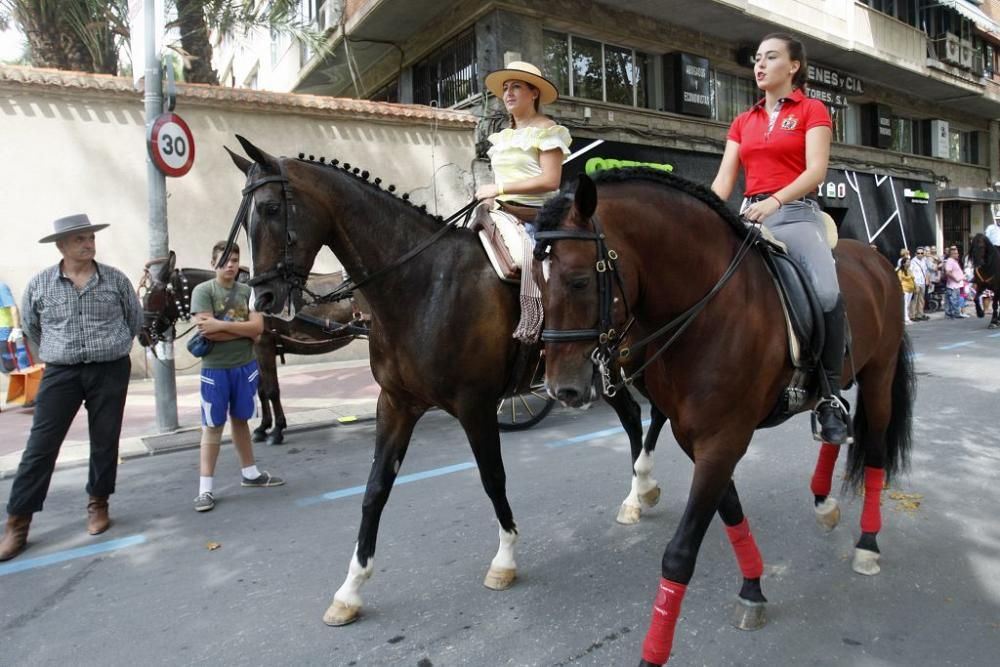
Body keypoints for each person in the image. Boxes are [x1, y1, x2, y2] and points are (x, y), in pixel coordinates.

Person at [710, 33, 850, 445]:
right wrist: (707, 211)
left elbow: (815, 172)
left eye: (771, 58)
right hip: (748, 215)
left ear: (793, 67)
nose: (760, 65)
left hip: (796, 214)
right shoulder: (742, 121)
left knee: (826, 293)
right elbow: (723, 181)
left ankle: (829, 396)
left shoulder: (813, 109)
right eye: (757, 58)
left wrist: (773, 201)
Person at [0, 214, 142, 562]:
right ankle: (18, 522)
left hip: (109, 369)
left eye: (90, 237)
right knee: (40, 446)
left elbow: (134, 319)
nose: (88, 243)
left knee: (105, 439)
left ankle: (99, 503)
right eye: (79, 239)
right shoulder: (41, 284)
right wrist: (60, 351)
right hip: (61, 373)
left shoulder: (115, 280)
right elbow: (33, 327)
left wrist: (113, 345)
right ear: (61, 246)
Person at [475, 61, 571, 343]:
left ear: (534, 93)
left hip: (536, 215)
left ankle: (547, 332)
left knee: (535, 263)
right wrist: (493, 195)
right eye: (505, 88)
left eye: (516, 86)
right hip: (499, 212)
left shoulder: (548, 130)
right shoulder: (503, 137)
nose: (508, 93)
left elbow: (550, 180)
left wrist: (500, 187)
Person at [190, 241, 283, 512]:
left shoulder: (248, 291)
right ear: (213, 264)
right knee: (213, 426)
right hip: (215, 370)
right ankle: (205, 489)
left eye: (234, 259)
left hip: (245, 367)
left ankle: (250, 473)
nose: (230, 265)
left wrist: (221, 325)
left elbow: (258, 329)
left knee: (241, 420)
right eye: (224, 260)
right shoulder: (203, 291)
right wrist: (242, 329)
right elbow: (208, 333)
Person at [0, 280, 31, 371]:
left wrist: (17, 329)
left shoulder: (1, 287)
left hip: (6, 333)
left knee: (12, 365)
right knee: (5, 367)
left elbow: (13, 307)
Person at [944, 246, 968, 319]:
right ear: (952, 254)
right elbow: (948, 272)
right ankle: (955, 313)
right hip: (953, 285)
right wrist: (956, 279)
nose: (958, 255)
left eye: (957, 253)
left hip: (957, 284)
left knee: (955, 299)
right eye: (956, 253)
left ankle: (953, 313)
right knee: (953, 299)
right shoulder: (950, 261)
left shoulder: (954, 261)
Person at [910, 247, 928, 321]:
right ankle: (913, 315)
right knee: (915, 300)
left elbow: (926, 271)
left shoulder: (924, 261)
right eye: (918, 253)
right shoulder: (913, 261)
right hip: (916, 282)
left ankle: (920, 314)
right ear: (915, 254)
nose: (920, 254)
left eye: (921, 253)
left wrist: (927, 280)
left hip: (922, 282)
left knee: (921, 299)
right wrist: (914, 283)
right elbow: (910, 272)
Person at [897, 257, 915, 325]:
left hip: (910, 289)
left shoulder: (909, 270)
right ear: (904, 263)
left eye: (909, 262)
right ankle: (905, 319)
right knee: (905, 304)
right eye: (907, 262)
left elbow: (913, 279)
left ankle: (906, 317)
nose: (909, 263)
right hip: (904, 289)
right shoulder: (900, 271)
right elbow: (899, 280)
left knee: (907, 304)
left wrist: (915, 287)